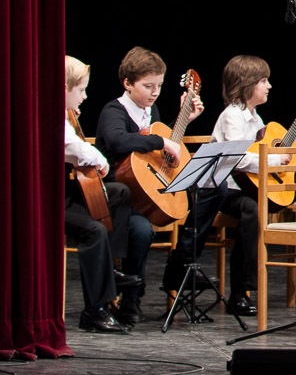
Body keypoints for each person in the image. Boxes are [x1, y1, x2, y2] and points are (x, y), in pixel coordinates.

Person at [162, 55, 280, 316]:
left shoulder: (254, 117)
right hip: (215, 185)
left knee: (252, 211)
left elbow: (257, 148)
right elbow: (236, 158)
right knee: (250, 210)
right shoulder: (232, 117)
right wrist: (271, 160)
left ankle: (241, 292)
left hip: (237, 189)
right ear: (247, 84)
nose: (269, 86)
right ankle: (231, 289)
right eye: (263, 81)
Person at [95, 46, 203, 324]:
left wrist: (182, 121)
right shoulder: (114, 110)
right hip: (112, 199)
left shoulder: (150, 110)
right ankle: (125, 296)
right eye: (147, 86)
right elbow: (120, 141)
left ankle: (136, 296)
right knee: (141, 230)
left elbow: (151, 150)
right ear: (128, 84)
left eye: (159, 86)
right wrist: (161, 141)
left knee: (147, 226)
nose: (154, 92)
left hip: (141, 196)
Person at [64, 55, 142, 333]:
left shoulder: (66, 116)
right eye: (81, 89)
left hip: (66, 193)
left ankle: (110, 267)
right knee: (94, 231)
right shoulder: (52, 118)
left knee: (119, 192)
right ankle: (94, 311)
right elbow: (74, 149)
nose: (85, 96)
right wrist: (99, 159)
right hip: (48, 201)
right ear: (64, 88)